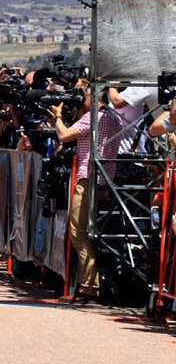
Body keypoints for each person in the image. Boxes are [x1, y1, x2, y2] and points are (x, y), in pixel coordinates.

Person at [50, 79, 122, 302]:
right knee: (92, 234)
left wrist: (57, 117)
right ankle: (91, 283)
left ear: (93, 97)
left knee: (79, 233)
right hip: (106, 181)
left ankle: (89, 287)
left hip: (87, 179)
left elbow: (63, 136)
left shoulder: (92, 118)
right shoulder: (115, 118)